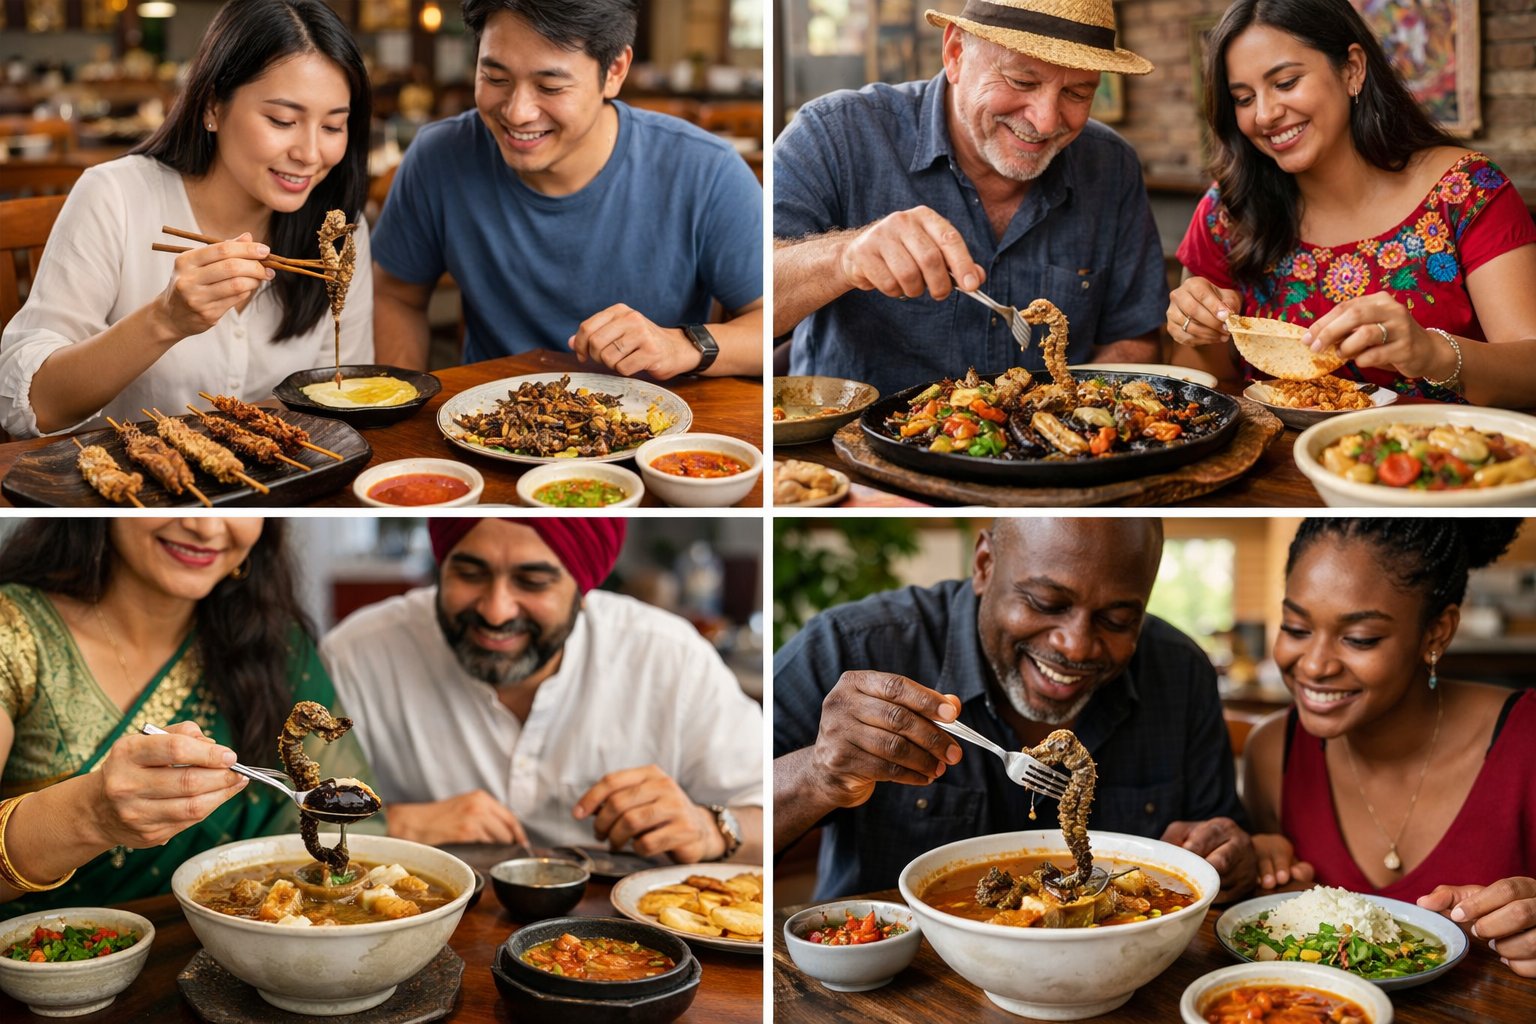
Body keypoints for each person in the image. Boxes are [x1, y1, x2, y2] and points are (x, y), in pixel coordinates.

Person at [774, 517, 1255, 901]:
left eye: (1117, 620)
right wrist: (817, 776)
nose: (1077, 646)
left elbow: (1218, 842)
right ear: (984, 564)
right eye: (1046, 603)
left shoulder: (1181, 672)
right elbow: (732, 834)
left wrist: (1222, 852)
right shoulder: (847, 647)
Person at [0, 0, 374, 439]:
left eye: (333, 127)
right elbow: (30, 409)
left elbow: (352, 395)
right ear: (212, 106)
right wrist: (164, 320)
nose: (311, 154)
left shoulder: (338, 231)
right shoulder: (115, 196)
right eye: (282, 120)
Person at [772, 0, 1169, 399]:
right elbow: (757, 305)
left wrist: (1077, 422)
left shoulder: (1111, 165)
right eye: (1022, 82)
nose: (1046, 121)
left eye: (1077, 92)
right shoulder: (833, 134)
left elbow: (1135, 341)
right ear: (955, 54)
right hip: (843, 451)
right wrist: (845, 259)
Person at [320, 518, 763, 864]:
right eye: (470, 574)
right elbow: (283, 821)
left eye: (533, 583)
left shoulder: (670, 657)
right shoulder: (358, 655)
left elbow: (773, 816)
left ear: (585, 590)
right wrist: (395, 824)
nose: (495, 611)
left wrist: (708, 829)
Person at [0, 519, 382, 914]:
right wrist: (92, 815)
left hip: (243, 955)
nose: (204, 526)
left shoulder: (275, 647)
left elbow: (360, 831)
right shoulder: (12, 634)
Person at [370, 0, 762, 379]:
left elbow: (771, 324)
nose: (517, 112)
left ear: (614, 71)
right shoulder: (440, 156)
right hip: (485, 430)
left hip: (662, 437)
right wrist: (405, 411)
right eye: (496, 78)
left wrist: (681, 345)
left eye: (550, 86)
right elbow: (397, 297)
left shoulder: (704, 169)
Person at [1169, 0, 1536, 405]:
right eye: (1242, 98)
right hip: (1277, 465)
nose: (1264, 115)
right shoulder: (1229, 210)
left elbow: (1530, 369)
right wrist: (1195, 328)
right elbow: (1204, 386)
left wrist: (1431, 352)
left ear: (1353, 70)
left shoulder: (1466, 190)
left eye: (1286, 82)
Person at [1241, 518, 1536, 978]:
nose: (1314, 664)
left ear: (1437, 633)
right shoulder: (1271, 753)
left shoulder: (1527, 741)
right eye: (1296, 628)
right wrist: (1260, 871)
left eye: (1360, 639)